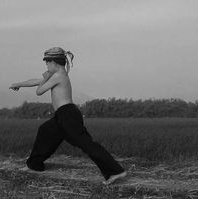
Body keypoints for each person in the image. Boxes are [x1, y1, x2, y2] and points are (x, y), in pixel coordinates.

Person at [10, 47, 127, 184]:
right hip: (62, 115)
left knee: (86, 144)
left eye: (47, 63)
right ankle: (34, 165)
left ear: (54, 62)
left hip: (68, 115)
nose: (46, 66)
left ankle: (116, 171)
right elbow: (36, 80)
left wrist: (45, 77)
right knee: (45, 131)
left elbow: (39, 91)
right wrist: (19, 84)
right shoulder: (55, 74)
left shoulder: (58, 76)